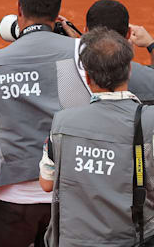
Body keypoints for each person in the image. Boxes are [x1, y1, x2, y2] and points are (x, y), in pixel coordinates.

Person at [0, 0, 89, 247]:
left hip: (12, 205)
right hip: (67, 201)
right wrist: (81, 43)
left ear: (19, 10)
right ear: (57, 13)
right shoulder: (83, 54)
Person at [39, 27, 154, 245]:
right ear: (129, 70)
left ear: (88, 77)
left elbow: (47, 183)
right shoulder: (150, 122)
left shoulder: (62, 122)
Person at [83, 0, 154, 101]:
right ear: (129, 33)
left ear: (85, 31)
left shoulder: (62, 67)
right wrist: (151, 45)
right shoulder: (145, 77)